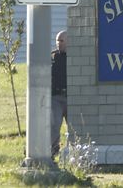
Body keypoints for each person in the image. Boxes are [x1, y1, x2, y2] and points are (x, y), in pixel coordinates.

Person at [51, 30, 68, 158]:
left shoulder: (76, 57)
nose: (58, 43)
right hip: (56, 97)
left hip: (71, 97)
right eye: (57, 40)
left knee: (73, 127)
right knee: (54, 124)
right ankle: (52, 151)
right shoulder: (52, 57)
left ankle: (72, 151)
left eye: (61, 41)